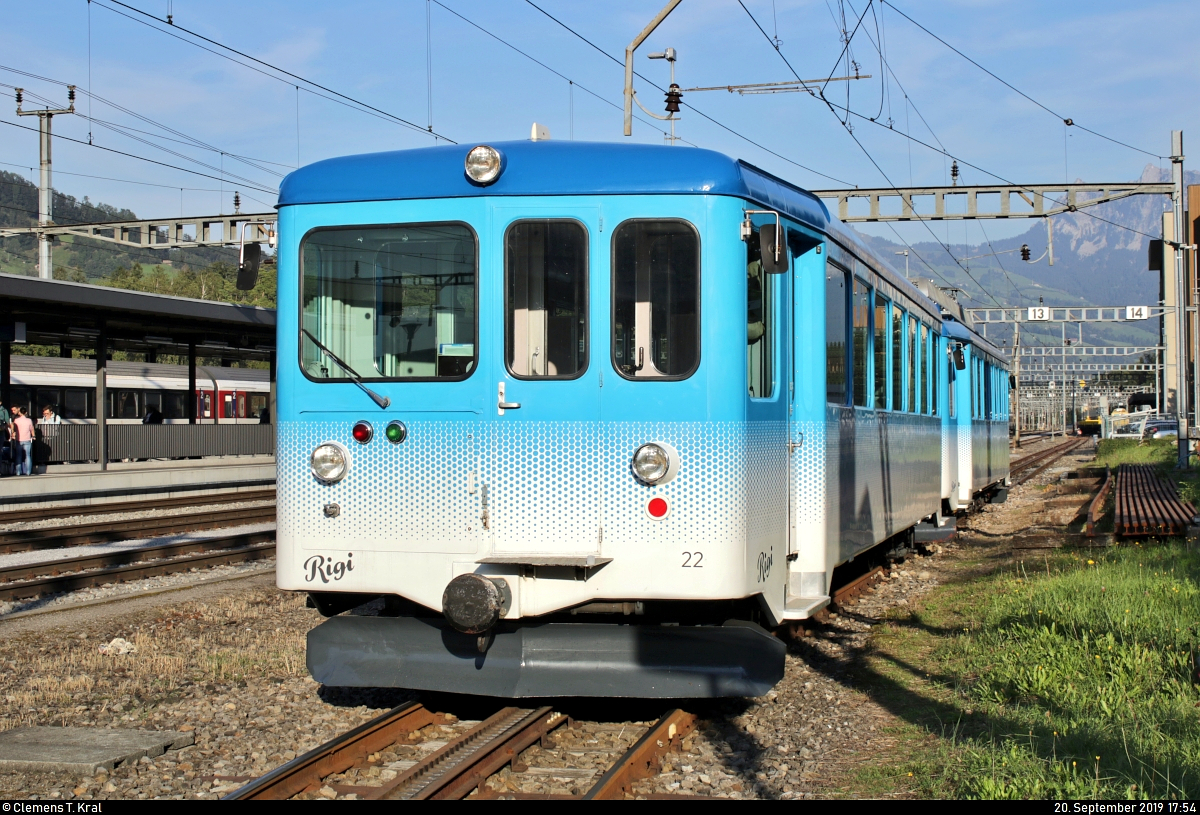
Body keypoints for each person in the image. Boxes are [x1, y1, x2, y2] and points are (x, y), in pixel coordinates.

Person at [11, 406, 35, 476]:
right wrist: (33, 436)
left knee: (19, 455)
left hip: (19, 439)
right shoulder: (29, 420)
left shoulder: (16, 420)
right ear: (26, 412)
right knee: (27, 455)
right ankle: (28, 472)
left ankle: (18, 472)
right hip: (27, 439)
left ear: (20, 412)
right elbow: (32, 429)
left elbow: (14, 429)